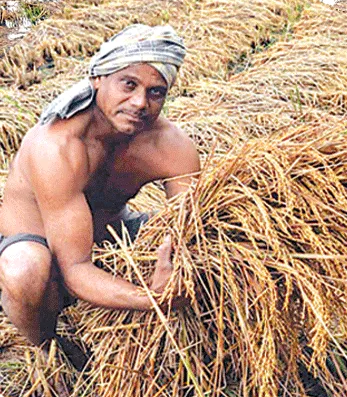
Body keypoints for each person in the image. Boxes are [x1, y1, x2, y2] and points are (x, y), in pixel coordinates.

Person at [0, 25, 199, 353]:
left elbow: (189, 229)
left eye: (156, 92)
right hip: (40, 244)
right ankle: (49, 350)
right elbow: (76, 268)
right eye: (129, 84)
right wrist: (150, 299)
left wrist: (176, 257)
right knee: (25, 271)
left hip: (110, 231)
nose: (139, 103)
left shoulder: (171, 147)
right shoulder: (58, 146)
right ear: (98, 78)